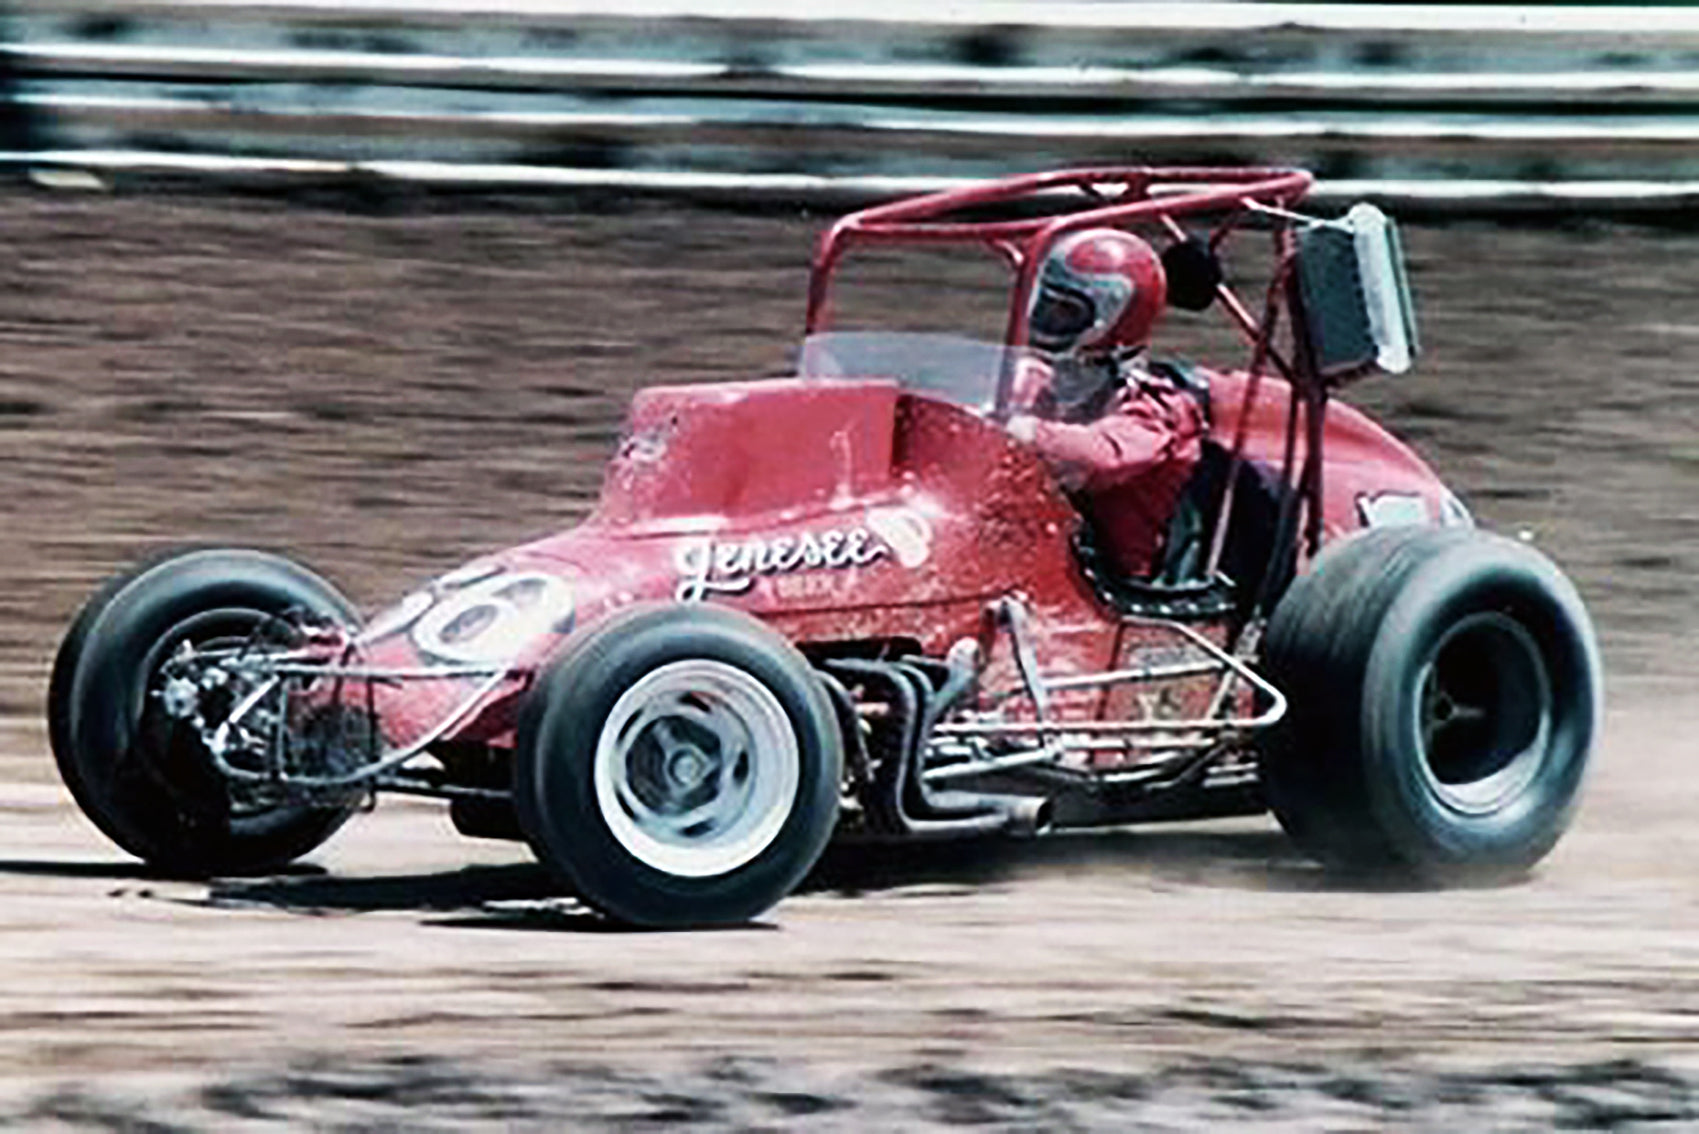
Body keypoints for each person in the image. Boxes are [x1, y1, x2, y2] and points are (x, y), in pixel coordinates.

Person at [1006, 228, 1207, 580]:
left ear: (1114, 319)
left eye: (1066, 312)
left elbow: (1105, 456)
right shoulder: (1037, 383)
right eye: (1046, 305)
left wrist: (1026, 431)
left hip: (1111, 578)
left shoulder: (1157, 408)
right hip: (1034, 552)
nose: (1049, 321)